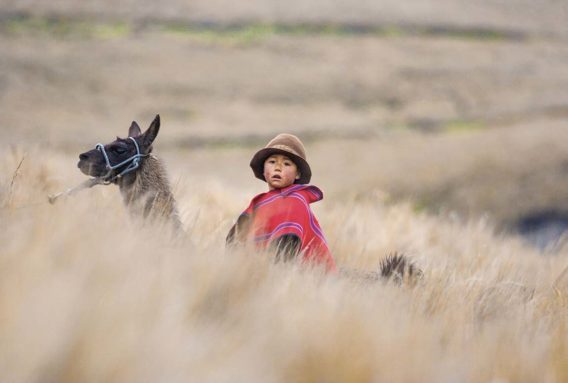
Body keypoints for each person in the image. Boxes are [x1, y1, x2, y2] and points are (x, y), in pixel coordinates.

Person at [226, 133, 337, 272]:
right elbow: (233, 243)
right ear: (264, 169)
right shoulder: (259, 204)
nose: (278, 168)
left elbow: (287, 250)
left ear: (298, 174)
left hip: (308, 278)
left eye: (286, 164)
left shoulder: (296, 201)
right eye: (272, 162)